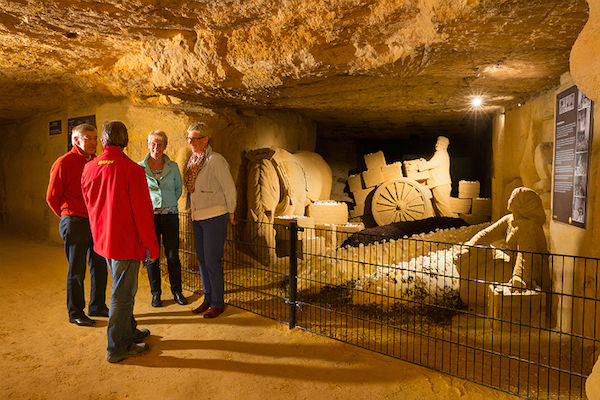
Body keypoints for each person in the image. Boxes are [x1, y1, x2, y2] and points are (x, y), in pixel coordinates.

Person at [81, 120, 159, 363]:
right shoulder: (132, 170)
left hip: (103, 241)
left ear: (103, 141)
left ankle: (129, 330)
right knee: (123, 295)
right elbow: (143, 213)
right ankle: (117, 347)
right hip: (126, 241)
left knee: (122, 289)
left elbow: (89, 204)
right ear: (125, 141)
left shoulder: (90, 168)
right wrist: (152, 247)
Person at [46, 123, 108, 327]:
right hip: (75, 221)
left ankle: (97, 305)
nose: (93, 142)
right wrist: (67, 217)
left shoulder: (97, 162)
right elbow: (52, 197)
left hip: (95, 222)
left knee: (99, 266)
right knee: (77, 269)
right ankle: (75, 312)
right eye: (87, 137)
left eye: (95, 137)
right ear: (76, 140)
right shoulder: (64, 162)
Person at [186, 122, 236, 318]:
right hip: (197, 215)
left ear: (206, 139)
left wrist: (231, 211)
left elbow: (229, 187)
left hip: (215, 215)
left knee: (213, 260)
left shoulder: (216, 160)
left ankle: (217, 302)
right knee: (202, 259)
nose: (191, 142)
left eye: (195, 138)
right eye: (189, 139)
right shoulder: (194, 160)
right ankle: (208, 297)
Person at [139, 130, 187, 307]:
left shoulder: (173, 167)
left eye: (159, 144)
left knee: (173, 255)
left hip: (170, 216)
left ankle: (177, 291)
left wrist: (168, 203)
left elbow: (178, 189)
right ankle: (156, 293)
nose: (156, 148)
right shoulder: (140, 167)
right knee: (152, 256)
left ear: (165, 146)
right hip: (150, 217)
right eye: (152, 143)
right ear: (148, 144)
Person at [417, 136, 457, 217]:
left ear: (443, 145)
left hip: (440, 184)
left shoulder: (440, 154)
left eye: (439, 143)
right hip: (441, 184)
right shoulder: (442, 154)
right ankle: (449, 224)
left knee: (443, 208)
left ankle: (453, 224)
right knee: (439, 208)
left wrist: (418, 165)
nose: (436, 145)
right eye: (437, 143)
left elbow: (429, 165)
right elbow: (431, 161)